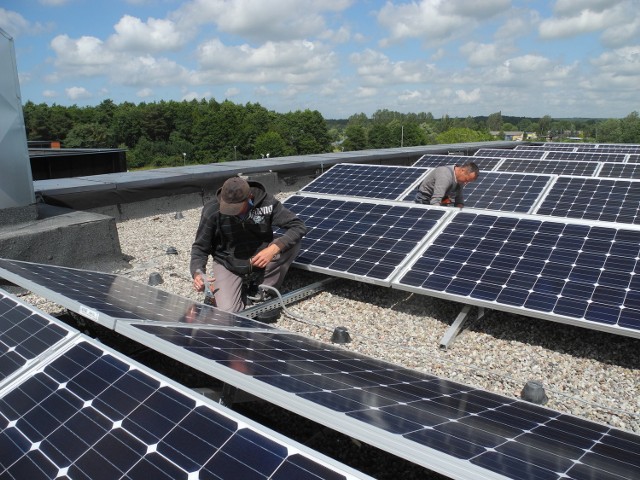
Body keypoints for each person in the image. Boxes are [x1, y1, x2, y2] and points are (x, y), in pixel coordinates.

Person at [190, 176, 307, 316]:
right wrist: (198, 273)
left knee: (291, 244)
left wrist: (273, 249)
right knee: (228, 313)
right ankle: (238, 289)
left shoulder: (267, 203)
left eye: (237, 208)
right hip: (228, 263)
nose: (232, 212)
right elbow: (200, 248)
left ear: (249, 197)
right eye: (228, 207)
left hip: (260, 256)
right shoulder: (212, 210)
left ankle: (263, 288)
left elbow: (298, 226)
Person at [415, 161, 479, 207]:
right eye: (466, 180)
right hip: (425, 201)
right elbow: (435, 201)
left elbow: (459, 200)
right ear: (462, 170)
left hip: (442, 199)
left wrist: (459, 211)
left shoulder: (460, 179)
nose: (465, 183)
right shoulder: (445, 175)